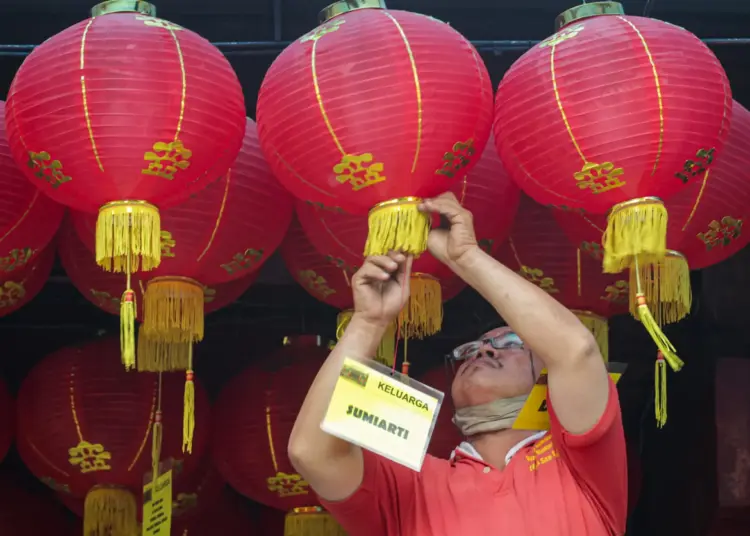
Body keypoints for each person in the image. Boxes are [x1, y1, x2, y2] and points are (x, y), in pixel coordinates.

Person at [288, 192, 628, 535]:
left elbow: (576, 350)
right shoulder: (413, 486)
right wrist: (369, 322)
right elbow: (311, 452)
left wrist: (466, 257)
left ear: (546, 378)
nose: (484, 351)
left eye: (509, 343)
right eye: (470, 350)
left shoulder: (579, 463)